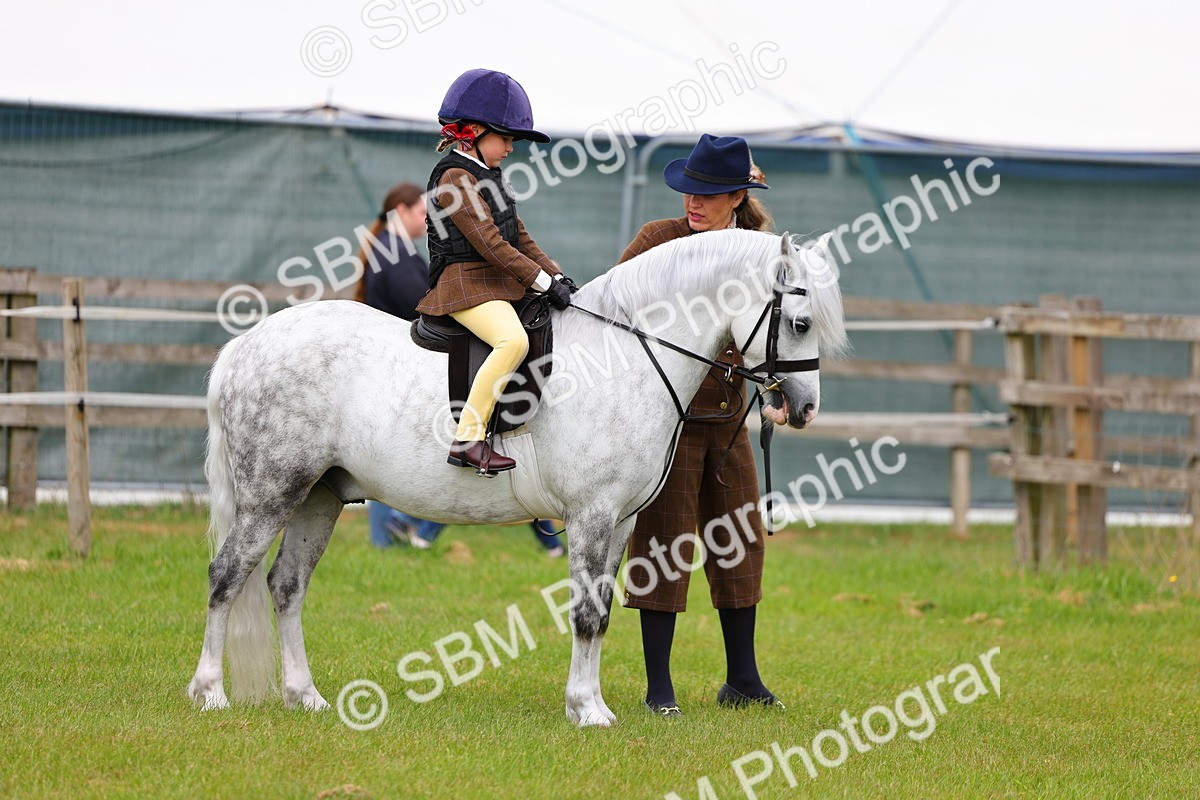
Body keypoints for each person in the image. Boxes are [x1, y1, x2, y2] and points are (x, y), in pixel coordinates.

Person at [620, 134, 781, 716]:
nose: (694, 202)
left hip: (732, 418)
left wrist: (777, 392)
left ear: (737, 196)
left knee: (742, 542)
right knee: (662, 544)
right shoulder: (656, 243)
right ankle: (658, 689)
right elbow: (611, 317)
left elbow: (775, 333)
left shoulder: (757, 253)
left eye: (709, 194)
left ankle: (743, 679)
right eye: (690, 189)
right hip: (668, 424)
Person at [355, 182, 565, 558]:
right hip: (407, 358)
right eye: (420, 212)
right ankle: (388, 538)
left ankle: (395, 534)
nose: (426, 219)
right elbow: (416, 297)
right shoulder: (393, 252)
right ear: (400, 211)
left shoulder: (392, 249)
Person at [416, 68, 573, 475]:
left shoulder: (488, 175)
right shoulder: (454, 176)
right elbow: (488, 242)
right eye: (505, 138)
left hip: (492, 283)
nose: (510, 148)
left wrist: (554, 275)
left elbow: (517, 235)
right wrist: (538, 281)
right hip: (463, 286)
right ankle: (468, 438)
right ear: (473, 132)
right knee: (512, 341)